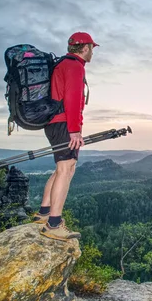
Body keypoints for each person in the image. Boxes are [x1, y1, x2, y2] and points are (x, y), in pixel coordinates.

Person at [32, 32, 98, 241]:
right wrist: (75, 130)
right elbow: (72, 98)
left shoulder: (62, 64)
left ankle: (43, 213)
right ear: (85, 48)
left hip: (54, 123)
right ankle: (53, 224)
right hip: (63, 124)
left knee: (63, 167)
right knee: (66, 168)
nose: (92, 52)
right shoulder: (75, 66)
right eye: (92, 48)